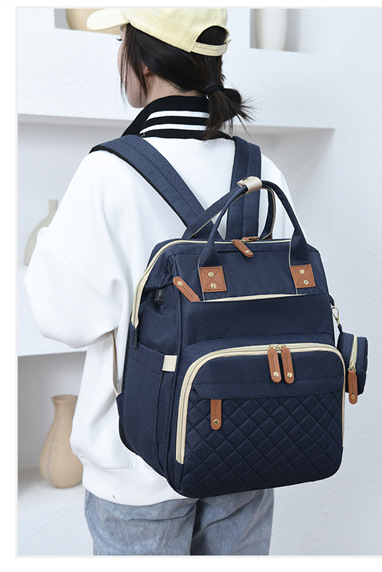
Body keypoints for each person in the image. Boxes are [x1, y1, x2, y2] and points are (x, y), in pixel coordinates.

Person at [24, 8, 295, 556]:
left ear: (144, 60)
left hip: (137, 463)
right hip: (248, 444)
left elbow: (63, 319)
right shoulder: (262, 170)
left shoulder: (108, 172)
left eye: (121, 43)